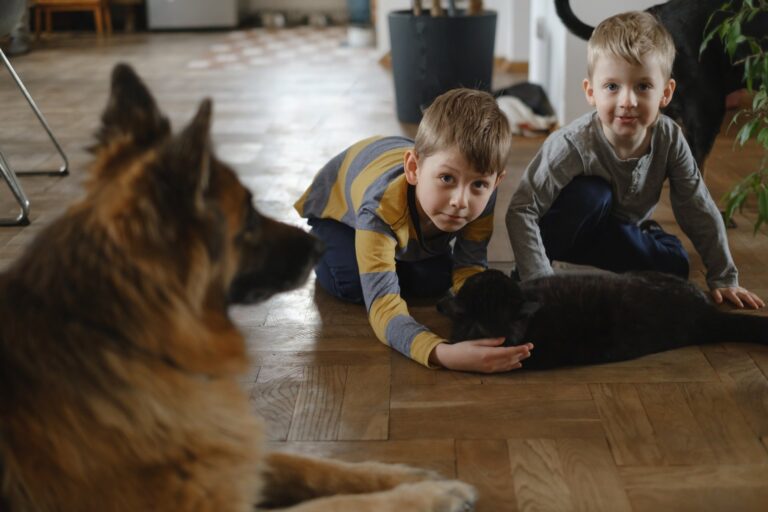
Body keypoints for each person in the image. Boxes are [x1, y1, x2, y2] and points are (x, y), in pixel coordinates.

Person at [506, 11, 764, 310]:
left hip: (616, 231)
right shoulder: (571, 144)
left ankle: (649, 236)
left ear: (665, 94)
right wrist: (536, 277)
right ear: (591, 92)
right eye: (612, 87)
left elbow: (696, 206)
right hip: (566, 225)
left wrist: (724, 276)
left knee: (676, 267)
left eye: (643, 86)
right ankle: (537, 265)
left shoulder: (669, 139)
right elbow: (522, 207)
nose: (627, 101)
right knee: (593, 194)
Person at [295, 88, 534, 373]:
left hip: (406, 204)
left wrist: (488, 314)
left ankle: (397, 258)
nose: (461, 201)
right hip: (339, 213)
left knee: (434, 282)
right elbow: (384, 308)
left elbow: (470, 264)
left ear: (495, 183)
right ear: (413, 168)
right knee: (353, 282)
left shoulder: (483, 194)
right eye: (447, 178)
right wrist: (442, 353)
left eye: (479, 185)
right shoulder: (378, 209)